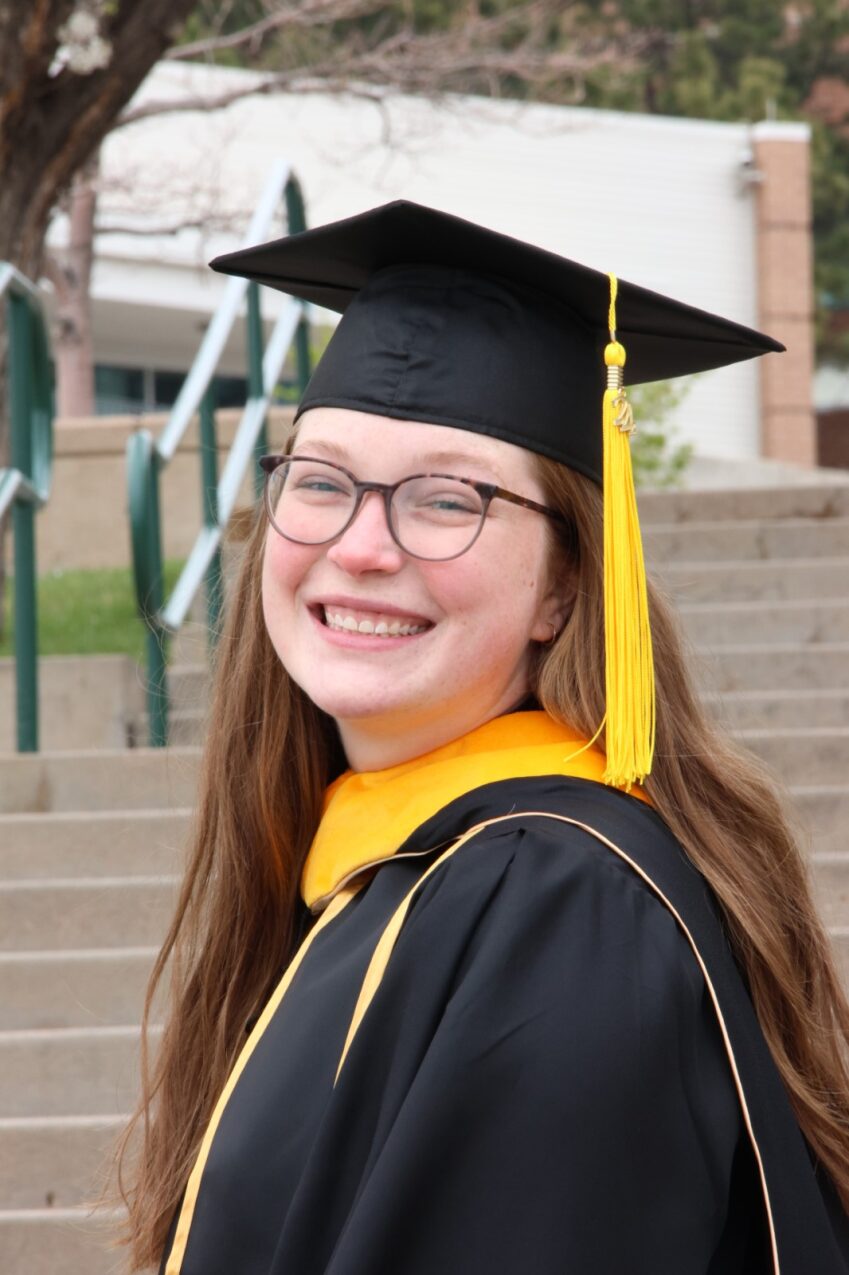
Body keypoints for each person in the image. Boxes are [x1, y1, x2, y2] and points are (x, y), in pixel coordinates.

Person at [115, 202, 849, 1274]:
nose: (361, 546)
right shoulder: (389, 875)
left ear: (563, 584)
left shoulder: (563, 905)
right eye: (320, 482)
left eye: (446, 498)